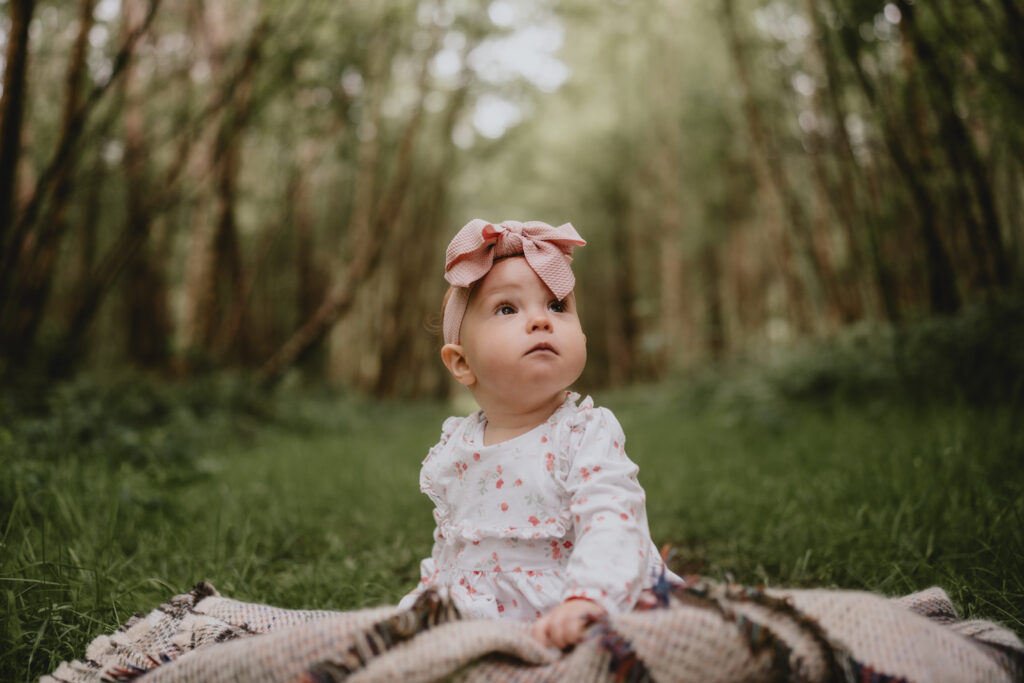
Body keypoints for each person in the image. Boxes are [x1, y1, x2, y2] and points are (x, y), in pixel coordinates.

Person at [399, 219, 676, 650]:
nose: (540, 321)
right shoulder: (456, 448)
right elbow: (452, 546)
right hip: (484, 612)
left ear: (582, 336)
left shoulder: (582, 432)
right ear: (461, 362)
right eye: (507, 309)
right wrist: (429, 602)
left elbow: (613, 519)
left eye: (557, 306)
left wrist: (589, 599)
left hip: (577, 601)